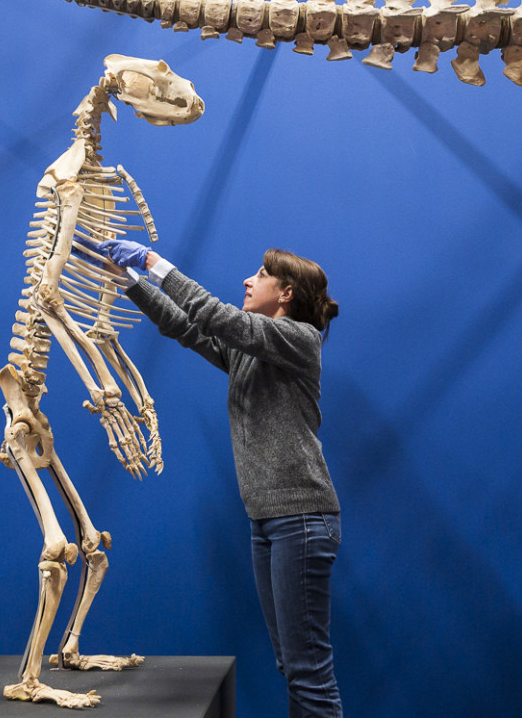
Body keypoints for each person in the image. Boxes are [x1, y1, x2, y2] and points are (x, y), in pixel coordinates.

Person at [96, 238, 343, 718]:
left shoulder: (298, 340)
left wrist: (152, 262)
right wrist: (130, 283)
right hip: (267, 523)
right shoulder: (253, 351)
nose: (248, 281)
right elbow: (189, 327)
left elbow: (217, 316)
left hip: (302, 522)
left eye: (260, 276)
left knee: (309, 672)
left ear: (286, 293)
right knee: (292, 666)